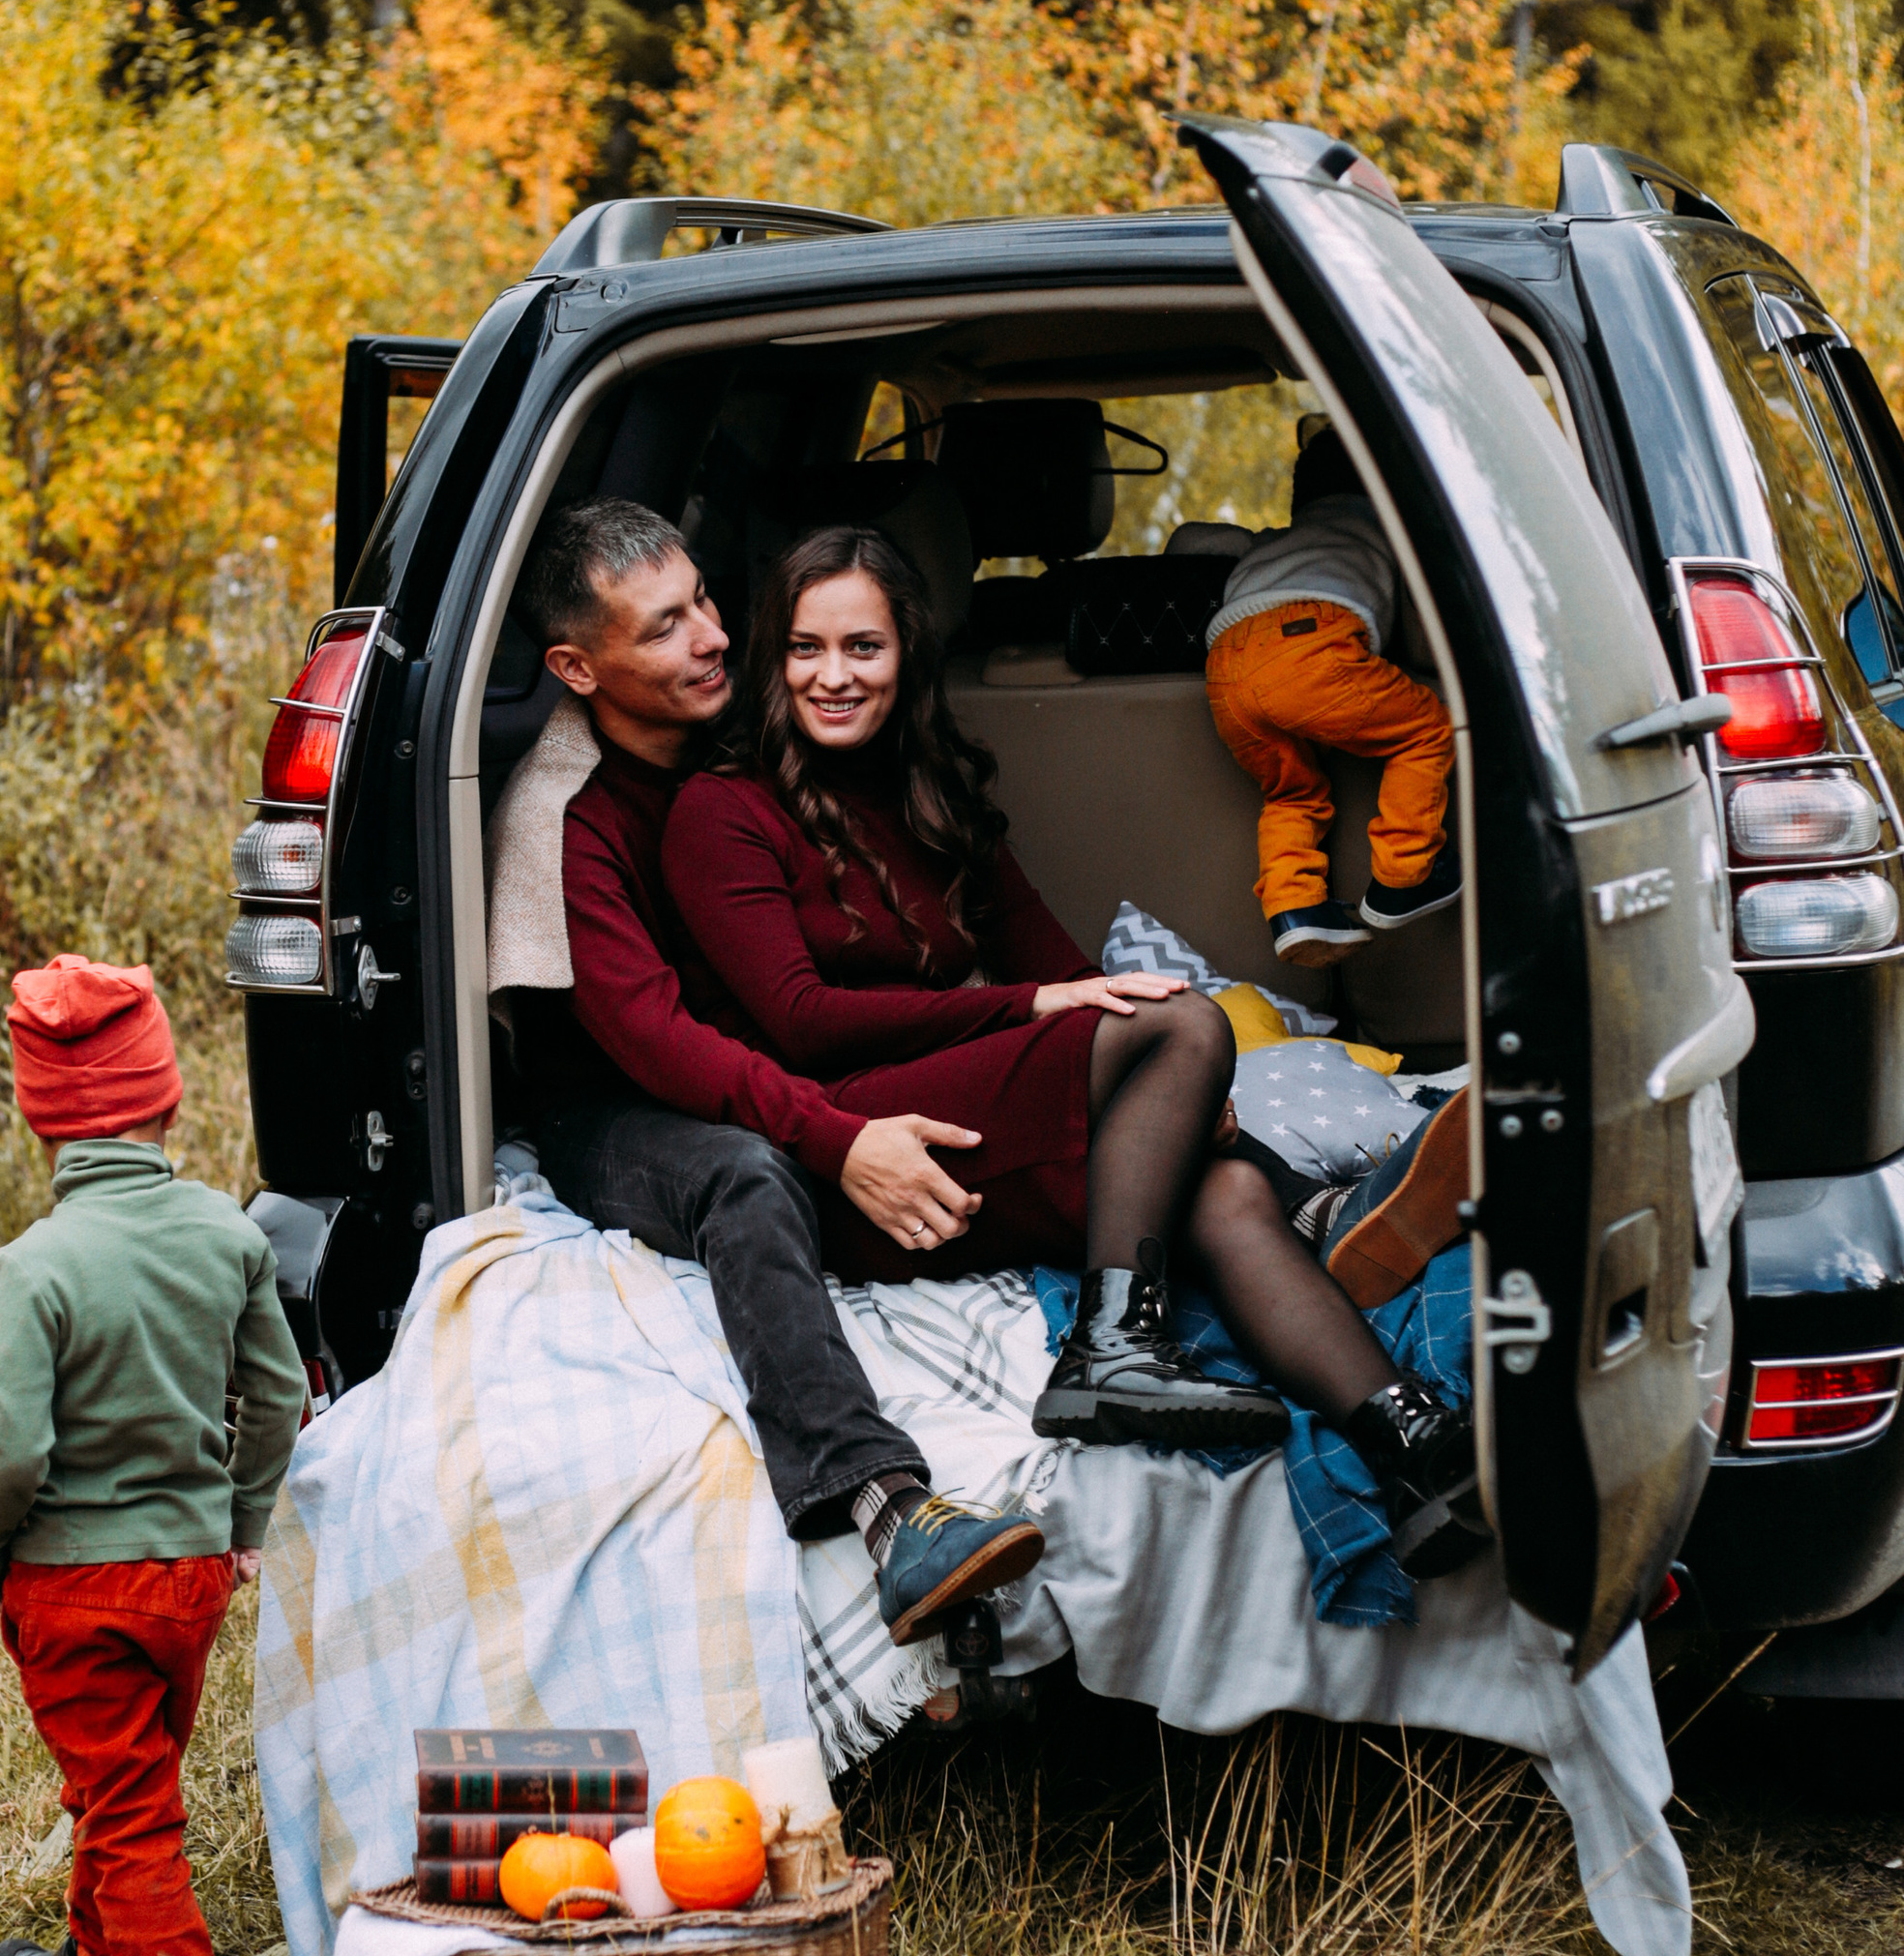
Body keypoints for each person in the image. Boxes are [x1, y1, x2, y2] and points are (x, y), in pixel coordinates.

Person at [660, 525, 1485, 1580]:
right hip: (860, 1151)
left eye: (861, 647)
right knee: (1183, 1025)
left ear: (907, 653)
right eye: (804, 649)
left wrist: (1170, 1091)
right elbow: (799, 1020)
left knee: (1216, 1172)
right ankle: (1117, 1347)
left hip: (963, 1117)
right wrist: (1075, 1018)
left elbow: (1070, 972)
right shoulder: (720, 809)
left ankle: (1414, 1447)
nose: (832, 676)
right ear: (770, 658)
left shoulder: (931, 789)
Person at [501, 496, 1047, 1653]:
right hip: (616, 1101)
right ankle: (889, 1512)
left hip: (760, 1052)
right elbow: (655, 1039)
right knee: (747, 1174)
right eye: (659, 628)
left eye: (704, 601)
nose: (708, 637)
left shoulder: (761, 738)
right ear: (576, 666)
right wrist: (837, 1138)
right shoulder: (570, 819)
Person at [0, 955, 307, 1956]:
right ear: (167, 1098)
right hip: (191, 1582)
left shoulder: (36, 1266)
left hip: (71, 1587)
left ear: (38, 1115)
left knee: (129, 1810)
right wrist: (243, 1521)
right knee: (129, 1781)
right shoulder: (226, 1236)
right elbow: (274, 1398)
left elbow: (11, 1450)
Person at [1179, 417, 1459, 968]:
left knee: (1292, 792)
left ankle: (1296, 908)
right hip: (1314, 644)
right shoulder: (1388, 532)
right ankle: (1403, 876)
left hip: (1226, 667)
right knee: (1428, 728)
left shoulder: (1271, 541)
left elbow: (1191, 541)